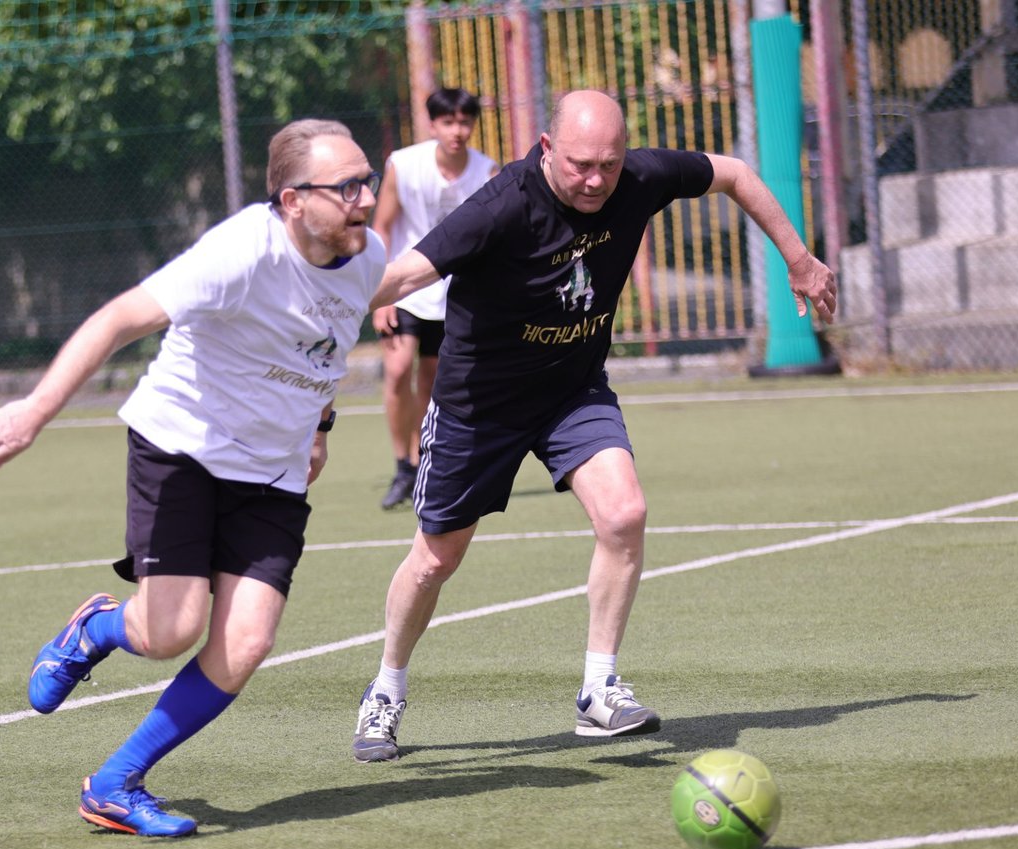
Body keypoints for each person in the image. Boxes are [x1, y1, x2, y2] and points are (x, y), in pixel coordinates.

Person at [351, 90, 837, 762]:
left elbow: (734, 174)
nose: (595, 180)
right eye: (581, 165)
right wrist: (313, 301)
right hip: (479, 404)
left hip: (570, 390)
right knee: (436, 559)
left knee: (624, 513)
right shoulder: (502, 206)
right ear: (547, 148)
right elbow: (406, 272)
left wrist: (799, 258)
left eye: (609, 165)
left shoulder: (638, 177)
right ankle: (385, 688)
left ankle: (598, 691)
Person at [0, 119, 386, 837]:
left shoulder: (365, 255)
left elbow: (326, 350)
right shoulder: (240, 253)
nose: (366, 198)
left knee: (246, 643)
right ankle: (95, 629)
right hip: (182, 447)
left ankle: (115, 784)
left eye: (367, 180)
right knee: (171, 632)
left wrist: (319, 427)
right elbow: (118, 318)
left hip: (272, 472)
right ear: (292, 201)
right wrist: (35, 411)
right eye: (347, 187)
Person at [371, 88, 498, 510]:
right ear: (431, 125)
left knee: (431, 381)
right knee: (397, 370)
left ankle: (420, 460)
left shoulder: (486, 172)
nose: (457, 131)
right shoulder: (403, 165)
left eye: (465, 122)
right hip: (406, 287)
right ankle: (401, 467)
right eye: (448, 122)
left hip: (453, 295)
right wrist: (381, 294)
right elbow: (382, 227)